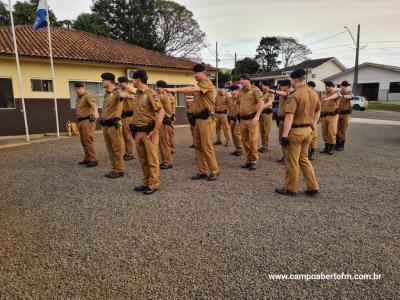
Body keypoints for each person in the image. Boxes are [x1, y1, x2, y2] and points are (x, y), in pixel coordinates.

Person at [163, 64, 219, 181]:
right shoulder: (200, 85)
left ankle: (214, 170)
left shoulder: (207, 83)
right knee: (198, 146)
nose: (194, 75)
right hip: (197, 119)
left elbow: (192, 89)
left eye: (196, 73)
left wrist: (174, 89)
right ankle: (202, 171)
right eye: (194, 73)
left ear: (203, 72)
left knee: (207, 145)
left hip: (205, 119)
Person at [275, 69, 321, 196]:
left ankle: (290, 188)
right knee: (304, 159)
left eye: (291, 80)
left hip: (296, 131)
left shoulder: (294, 94)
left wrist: (284, 135)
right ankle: (313, 187)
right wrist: (313, 124)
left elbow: (289, 116)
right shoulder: (314, 93)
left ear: (294, 80)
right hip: (308, 131)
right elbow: (318, 111)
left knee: (292, 160)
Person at [130, 70, 165, 195]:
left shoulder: (151, 93)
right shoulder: (137, 94)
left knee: (152, 159)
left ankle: (153, 184)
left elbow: (161, 112)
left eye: (132, 79)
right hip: (138, 132)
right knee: (143, 160)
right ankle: (145, 182)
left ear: (138, 80)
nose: (132, 82)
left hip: (148, 132)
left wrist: (155, 131)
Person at [237, 73, 264, 171]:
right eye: (240, 79)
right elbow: (238, 104)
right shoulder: (240, 92)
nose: (241, 81)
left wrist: (257, 116)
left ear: (248, 80)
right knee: (244, 141)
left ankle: (254, 161)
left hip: (252, 119)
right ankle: (248, 160)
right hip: (243, 120)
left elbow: (261, 102)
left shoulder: (255, 90)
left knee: (252, 141)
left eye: (242, 79)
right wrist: (238, 114)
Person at [99, 72, 124, 178]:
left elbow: (130, 95)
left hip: (114, 125)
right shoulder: (107, 93)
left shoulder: (118, 92)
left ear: (109, 81)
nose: (102, 82)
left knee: (116, 148)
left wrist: (126, 89)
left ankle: (119, 170)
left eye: (103, 80)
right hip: (106, 125)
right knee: (109, 148)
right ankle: (114, 168)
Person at [74, 82, 99, 168]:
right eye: (76, 89)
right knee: (83, 141)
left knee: (88, 140)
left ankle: (93, 159)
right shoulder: (79, 98)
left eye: (79, 89)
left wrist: (96, 112)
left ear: (83, 88)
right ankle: (87, 157)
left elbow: (93, 105)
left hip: (87, 120)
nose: (77, 91)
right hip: (81, 121)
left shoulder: (87, 95)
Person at [267, 80, 292, 163]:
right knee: (281, 140)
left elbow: (286, 94)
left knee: (286, 140)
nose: (280, 87)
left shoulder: (290, 93)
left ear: (287, 86)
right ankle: (285, 155)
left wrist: (274, 91)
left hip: (286, 120)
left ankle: (288, 158)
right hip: (281, 119)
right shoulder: (281, 94)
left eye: (281, 85)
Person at [156, 80, 174, 169]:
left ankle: (167, 162)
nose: (156, 89)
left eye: (158, 87)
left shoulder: (162, 96)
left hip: (164, 122)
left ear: (162, 88)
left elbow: (153, 98)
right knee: (163, 142)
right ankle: (166, 161)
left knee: (164, 143)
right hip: (163, 121)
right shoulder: (165, 95)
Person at [117, 76, 136, 161]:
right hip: (124, 116)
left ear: (126, 83)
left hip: (129, 116)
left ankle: (130, 153)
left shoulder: (130, 89)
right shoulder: (123, 90)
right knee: (125, 135)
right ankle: (128, 152)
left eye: (121, 83)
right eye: (119, 83)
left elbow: (130, 96)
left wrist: (120, 92)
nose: (120, 84)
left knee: (128, 136)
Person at [320, 81, 340, 155]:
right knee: (324, 132)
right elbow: (321, 106)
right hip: (324, 116)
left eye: (328, 86)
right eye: (326, 86)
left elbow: (335, 96)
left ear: (332, 86)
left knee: (331, 131)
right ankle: (326, 147)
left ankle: (332, 147)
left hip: (333, 116)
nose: (326, 87)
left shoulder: (337, 93)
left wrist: (329, 98)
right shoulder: (323, 94)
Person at [336, 81, 353, 151]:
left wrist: (342, 95)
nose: (344, 87)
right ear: (340, 86)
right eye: (343, 86)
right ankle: (337, 143)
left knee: (343, 130)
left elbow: (350, 97)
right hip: (337, 114)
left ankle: (342, 145)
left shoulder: (349, 93)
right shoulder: (337, 93)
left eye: (346, 86)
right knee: (336, 130)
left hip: (345, 115)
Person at [227, 85, 243, 156]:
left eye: (232, 90)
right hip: (231, 119)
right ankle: (237, 149)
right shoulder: (229, 99)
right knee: (233, 135)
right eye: (230, 91)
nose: (231, 92)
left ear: (237, 90)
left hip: (238, 119)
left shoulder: (241, 98)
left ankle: (239, 149)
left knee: (237, 134)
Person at [259, 81, 274, 153]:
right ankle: (263, 146)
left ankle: (266, 146)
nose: (262, 86)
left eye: (263, 85)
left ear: (267, 86)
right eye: (262, 85)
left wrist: (261, 107)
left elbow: (270, 103)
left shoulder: (270, 93)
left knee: (266, 131)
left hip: (267, 114)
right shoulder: (262, 93)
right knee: (261, 130)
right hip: (261, 114)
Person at [306, 80, 319, 160]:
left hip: (313, 117)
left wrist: (315, 121)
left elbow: (318, 109)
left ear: (311, 87)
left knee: (313, 135)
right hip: (306, 117)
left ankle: (312, 151)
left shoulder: (315, 95)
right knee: (307, 135)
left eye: (307, 86)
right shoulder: (306, 94)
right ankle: (306, 151)